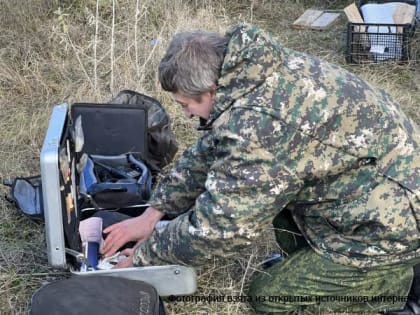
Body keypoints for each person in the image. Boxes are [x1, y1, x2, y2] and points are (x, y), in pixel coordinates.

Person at [100, 23, 419, 314]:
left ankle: (391, 284)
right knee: (269, 204)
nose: (185, 115)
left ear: (211, 89)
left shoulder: (259, 128)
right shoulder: (253, 70)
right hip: (372, 188)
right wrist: (153, 213)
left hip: (389, 226)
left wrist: (142, 259)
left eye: (186, 105)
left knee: (270, 297)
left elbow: (219, 228)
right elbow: (211, 150)